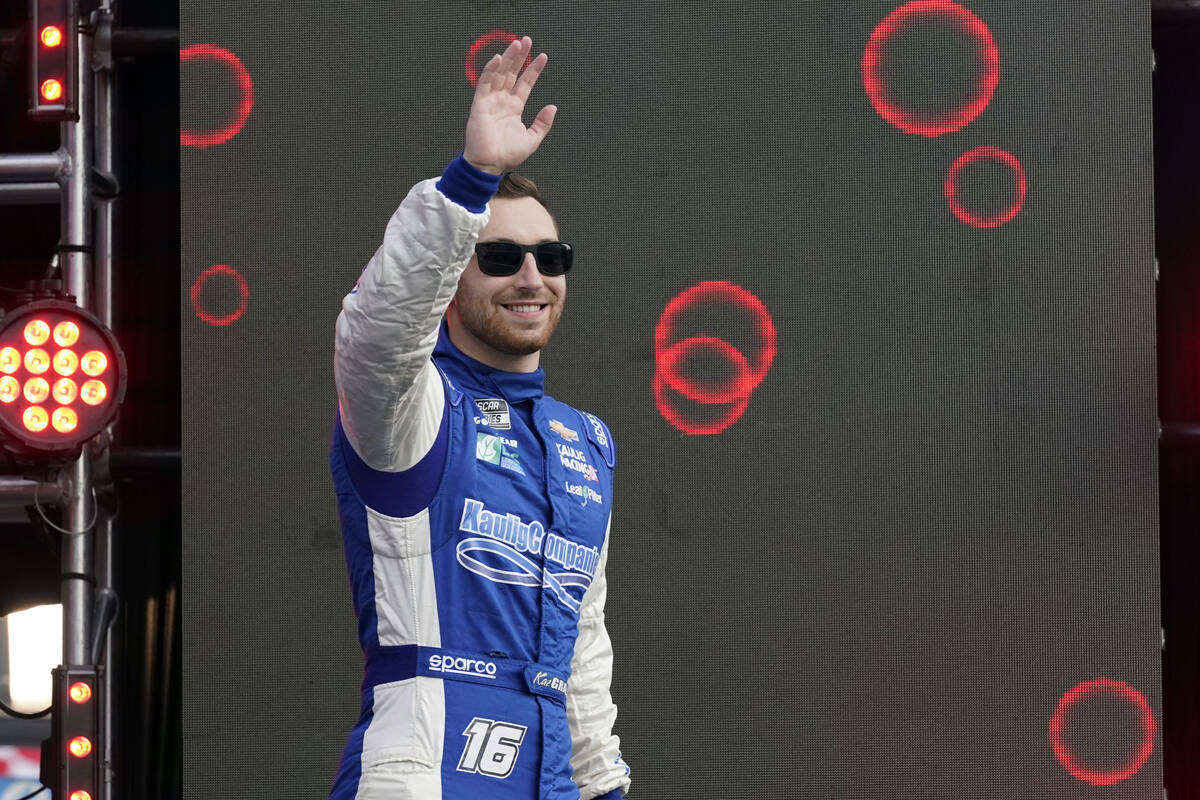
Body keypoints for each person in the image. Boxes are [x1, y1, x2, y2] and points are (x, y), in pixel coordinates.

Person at [328, 36, 631, 800]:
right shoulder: (412, 408)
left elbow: (582, 651)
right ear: (452, 275)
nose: (531, 276)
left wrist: (602, 785)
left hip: (552, 782)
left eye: (549, 257)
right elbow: (378, 332)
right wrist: (469, 182)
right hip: (419, 775)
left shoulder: (586, 443)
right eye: (499, 258)